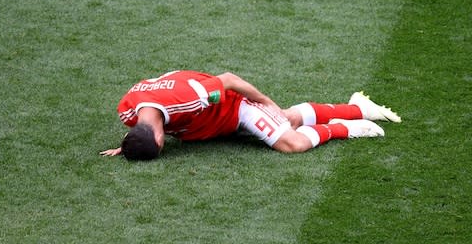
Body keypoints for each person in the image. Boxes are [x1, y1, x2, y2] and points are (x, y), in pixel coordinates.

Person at [100, 70, 401, 160]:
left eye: (161, 145)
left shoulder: (187, 100)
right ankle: (359, 105)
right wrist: (127, 146)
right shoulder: (128, 110)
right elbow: (141, 127)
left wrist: (267, 103)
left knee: (292, 141)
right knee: (291, 121)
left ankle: (346, 126)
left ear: (158, 135)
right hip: (213, 123)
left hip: (235, 108)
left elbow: (229, 80)